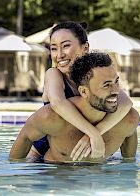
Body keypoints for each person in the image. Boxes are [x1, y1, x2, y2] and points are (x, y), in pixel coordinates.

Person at [10, 51, 139, 163]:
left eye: (116, 82)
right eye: (106, 85)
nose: (116, 91)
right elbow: (22, 144)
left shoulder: (129, 120)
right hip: (55, 177)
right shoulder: (51, 118)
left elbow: (129, 164)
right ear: (83, 92)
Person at [29, 21, 133, 161]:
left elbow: (126, 103)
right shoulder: (53, 74)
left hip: (82, 148)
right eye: (53, 48)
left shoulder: (94, 76)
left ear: (85, 47)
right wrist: (94, 135)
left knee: (128, 119)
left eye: (66, 46)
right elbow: (58, 103)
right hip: (43, 155)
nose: (59, 55)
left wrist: (95, 134)